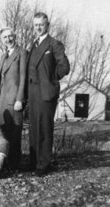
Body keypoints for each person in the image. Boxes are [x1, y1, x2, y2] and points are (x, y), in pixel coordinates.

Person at [26, 12, 70, 176]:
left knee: (44, 128)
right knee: (34, 128)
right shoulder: (33, 45)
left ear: (47, 25)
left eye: (41, 25)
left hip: (46, 93)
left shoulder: (54, 44)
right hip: (33, 93)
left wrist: (51, 79)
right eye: (36, 25)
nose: (38, 27)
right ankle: (34, 162)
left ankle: (43, 164)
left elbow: (64, 67)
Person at [0, 27, 27, 171]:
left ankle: (15, 165)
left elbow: (23, 77)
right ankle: (5, 164)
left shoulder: (22, 53)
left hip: (15, 101)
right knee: (4, 133)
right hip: (3, 102)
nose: (8, 39)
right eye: (5, 37)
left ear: (15, 36)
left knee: (15, 133)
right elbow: (0, 81)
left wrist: (20, 99)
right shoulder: (3, 56)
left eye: (10, 36)